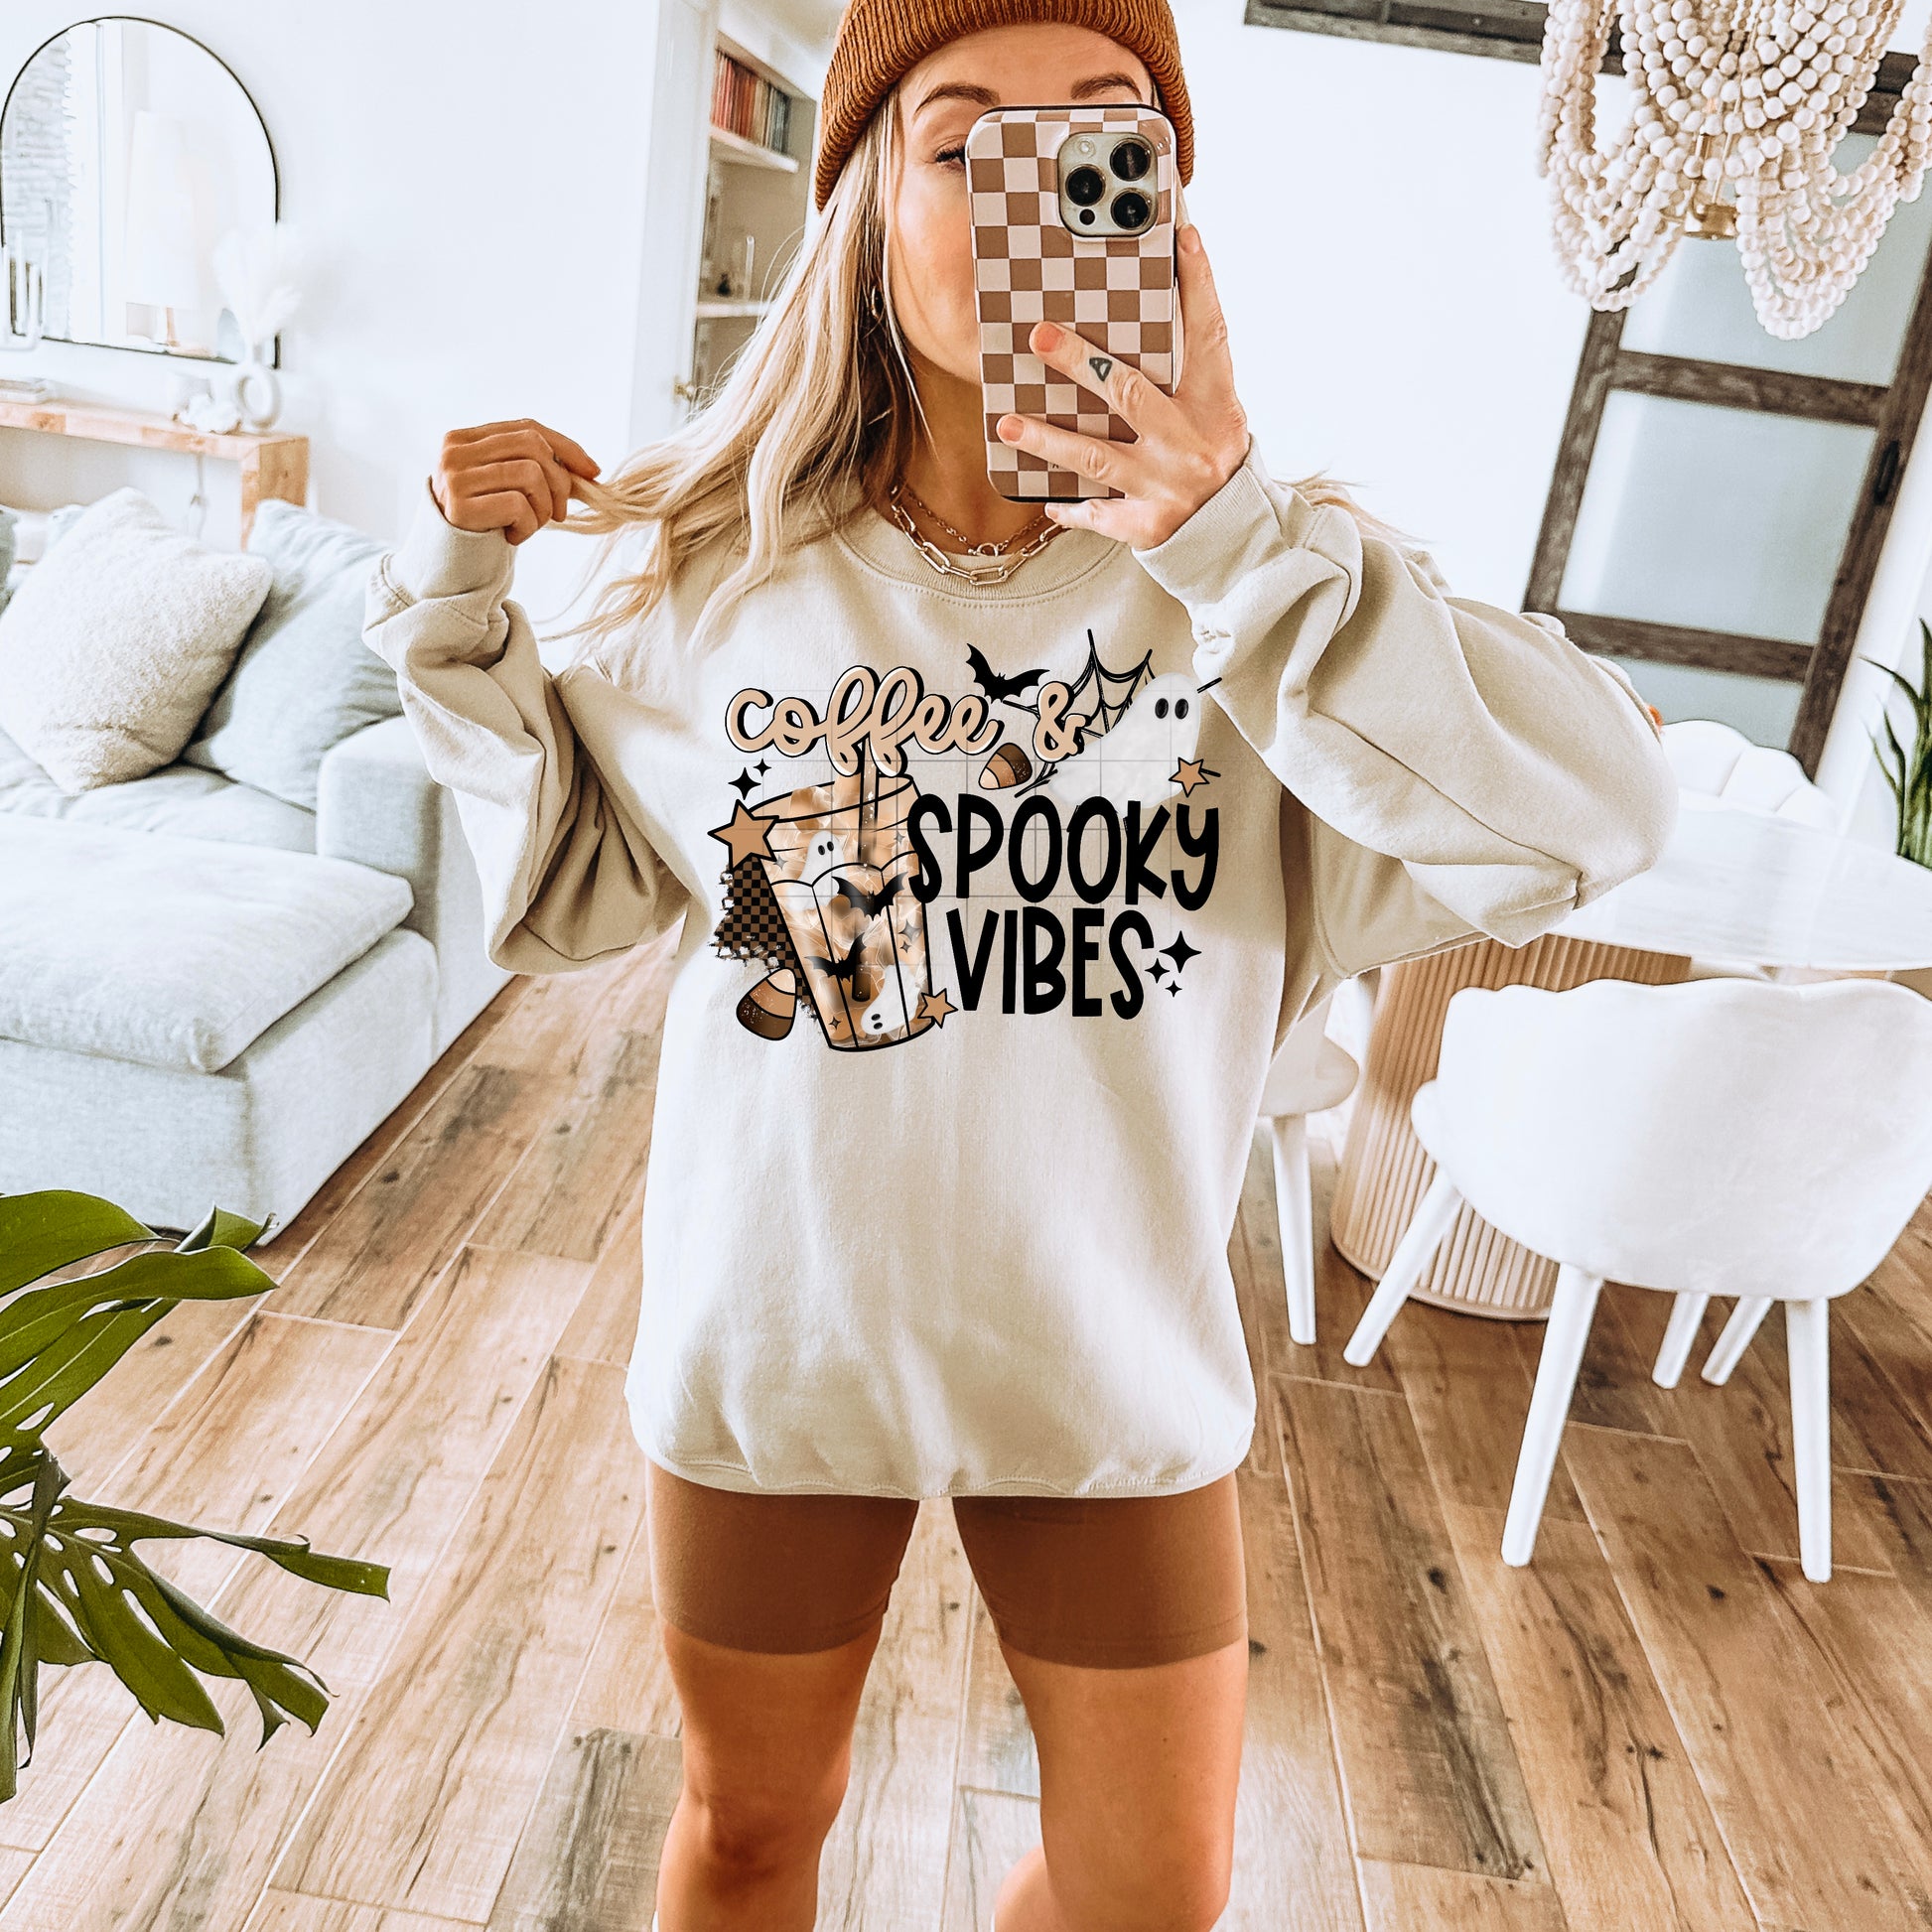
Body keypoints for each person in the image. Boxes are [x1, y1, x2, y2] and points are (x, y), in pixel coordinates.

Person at [365, 4, 1676, 1926]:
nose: (1032, 190)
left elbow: (1593, 815)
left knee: (1155, 1892)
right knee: (748, 1828)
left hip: (1105, 1356)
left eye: (1104, 137)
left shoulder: (1277, 596)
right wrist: (457, 589)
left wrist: (1227, 529)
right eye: (960, 139)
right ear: (865, 219)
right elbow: (578, 891)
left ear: (1170, 214)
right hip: (781, 1333)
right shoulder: (712, 573)